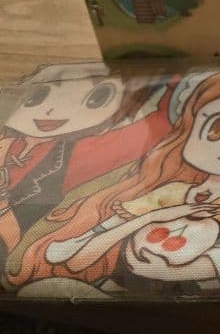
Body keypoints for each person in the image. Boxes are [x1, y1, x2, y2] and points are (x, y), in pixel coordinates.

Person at [9, 65, 220, 294]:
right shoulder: (158, 189)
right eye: (215, 126)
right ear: (189, 124)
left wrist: (195, 268)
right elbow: (63, 255)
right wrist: (152, 218)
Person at [0, 63, 171, 261]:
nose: (51, 110)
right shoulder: (7, 138)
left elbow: (158, 124)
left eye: (96, 99)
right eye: (39, 96)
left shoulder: (77, 154)